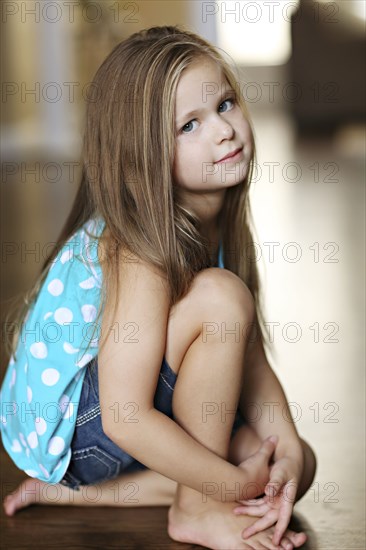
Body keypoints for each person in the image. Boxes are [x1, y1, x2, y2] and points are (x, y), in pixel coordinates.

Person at [1, 25, 316, 550]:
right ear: (138, 157)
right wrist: (224, 486)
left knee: (295, 465)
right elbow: (125, 416)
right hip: (81, 431)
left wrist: (287, 454)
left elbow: (255, 364)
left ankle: (92, 497)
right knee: (220, 299)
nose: (223, 130)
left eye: (226, 104)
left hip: (126, 419)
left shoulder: (213, 222)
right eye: (189, 125)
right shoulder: (138, 246)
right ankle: (194, 509)